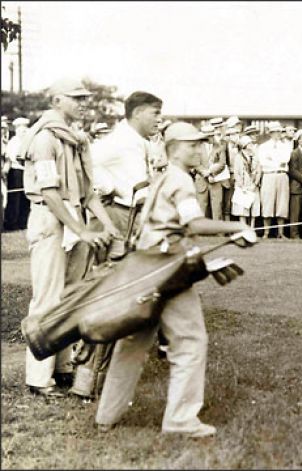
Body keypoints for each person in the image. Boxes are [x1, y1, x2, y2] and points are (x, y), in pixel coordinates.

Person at [95, 121, 256, 437]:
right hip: (166, 271)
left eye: (200, 144)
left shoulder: (160, 178)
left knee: (132, 342)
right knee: (191, 342)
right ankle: (180, 420)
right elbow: (193, 223)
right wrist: (235, 228)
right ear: (174, 148)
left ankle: (107, 416)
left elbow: (169, 229)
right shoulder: (180, 180)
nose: (199, 149)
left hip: (145, 266)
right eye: (192, 144)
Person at [21, 78, 120, 397]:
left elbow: (87, 191)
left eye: (84, 97)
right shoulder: (44, 138)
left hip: (73, 217)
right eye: (75, 98)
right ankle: (38, 377)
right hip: (51, 218)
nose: (82, 102)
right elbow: (49, 192)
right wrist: (81, 230)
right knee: (48, 297)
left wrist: (107, 226)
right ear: (56, 102)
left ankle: (62, 367)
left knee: (69, 296)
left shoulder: (76, 139)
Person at [90, 91, 164, 256]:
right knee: (110, 273)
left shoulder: (137, 140)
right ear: (137, 113)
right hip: (118, 213)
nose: (159, 119)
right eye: (155, 113)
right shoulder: (120, 140)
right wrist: (107, 188)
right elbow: (86, 161)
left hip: (134, 215)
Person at [258, 121, 290, 238]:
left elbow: (285, 160)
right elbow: (263, 162)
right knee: (267, 203)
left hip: (282, 175)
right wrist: (275, 163)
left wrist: (273, 160)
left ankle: (280, 233)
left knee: (282, 204)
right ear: (270, 133)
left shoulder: (285, 146)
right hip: (269, 175)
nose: (278, 134)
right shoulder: (263, 146)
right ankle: (266, 232)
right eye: (275, 132)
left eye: (279, 132)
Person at [191, 122, 228, 220]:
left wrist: (212, 173)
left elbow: (222, 163)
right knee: (201, 208)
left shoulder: (219, 146)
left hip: (216, 181)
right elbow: (196, 163)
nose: (212, 138)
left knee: (217, 208)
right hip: (201, 181)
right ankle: (201, 232)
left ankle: (219, 232)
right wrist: (207, 174)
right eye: (210, 136)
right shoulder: (197, 147)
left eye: (213, 135)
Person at [4, 117, 31, 230]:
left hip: (27, 170)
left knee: (26, 196)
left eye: (25, 130)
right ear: (17, 130)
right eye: (21, 130)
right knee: (15, 197)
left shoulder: (28, 141)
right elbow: (13, 156)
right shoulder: (13, 142)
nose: (24, 132)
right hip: (16, 171)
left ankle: (23, 222)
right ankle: (12, 223)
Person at [232, 135, 261, 227]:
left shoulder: (255, 156)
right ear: (244, 145)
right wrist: (242, 186)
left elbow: (259, 171)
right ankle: (243, 227)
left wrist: (255, 184)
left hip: (253, 186)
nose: (251, 145)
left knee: (254, 208)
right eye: (249, 143)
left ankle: (252, 227)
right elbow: (236, 173)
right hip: (242, 187)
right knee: (242, 208)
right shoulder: (238, 157)